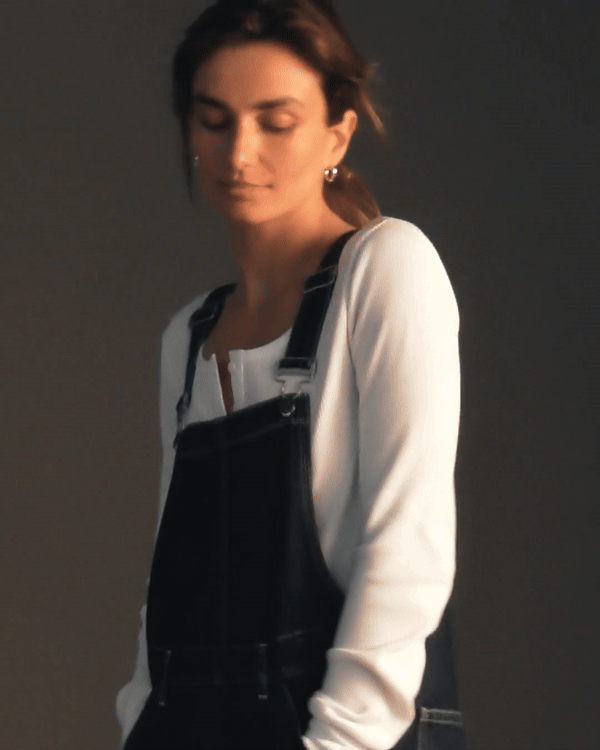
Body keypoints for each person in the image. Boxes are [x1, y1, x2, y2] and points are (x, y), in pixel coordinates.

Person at [115, 1, 465, 748]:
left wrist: (336, 741)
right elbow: (165, 607)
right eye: (214, 121)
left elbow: (408, 549)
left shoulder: (386, 269)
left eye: (275, 122)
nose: (240, 153)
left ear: (338, 132)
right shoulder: (188, 336)